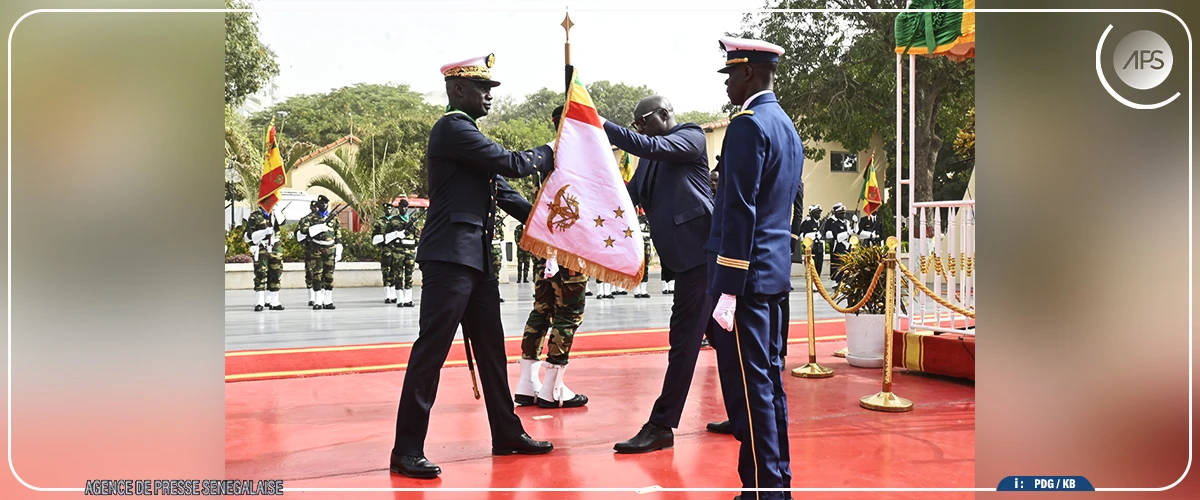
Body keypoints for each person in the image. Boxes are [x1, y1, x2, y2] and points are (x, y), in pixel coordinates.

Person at [390, 53, 556, 479]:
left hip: (475, 260)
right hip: (449, 257)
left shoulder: (469, 138)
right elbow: (513, 164)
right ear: (458, 89)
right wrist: (553, 149)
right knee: (431, 352)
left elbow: (505, 192)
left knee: (490, 349)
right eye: (483, 88)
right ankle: (406, 449)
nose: (489, 96)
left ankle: (506, 433)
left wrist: (550, 228)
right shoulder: (453, 129)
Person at [706, 37, 802, 500]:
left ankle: (765, 490)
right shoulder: (785, 124)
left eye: (731, 75)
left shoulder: (747, 125)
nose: (727, 85)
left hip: (744, 282)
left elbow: (740, 211)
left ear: (748, 74)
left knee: (749, 390)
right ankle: (774, 482)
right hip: (773, 275)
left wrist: (727, 288)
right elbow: (788, 207)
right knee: (768, 384)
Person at [597, 94, 714, 454]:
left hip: (702, 257)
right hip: (684, 262)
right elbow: (625, 196)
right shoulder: (649, 160)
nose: (638, 130)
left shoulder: (690, 136)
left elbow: (650, 146)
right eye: (635, 125)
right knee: (728, 343)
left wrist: (602, 126)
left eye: (642, 122)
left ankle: (661, 425)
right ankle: (744, 415)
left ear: (664, 115)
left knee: (682, 344)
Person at [512, 105, 591, 409]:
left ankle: (526, 383)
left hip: (543, 246)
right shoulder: (581, 161)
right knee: (568, 313)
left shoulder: (548, 157)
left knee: (542, 309)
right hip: (569, 249)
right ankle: (552, 388)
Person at [297, 195, 343, 310]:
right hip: (316, 249)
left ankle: (328, 300)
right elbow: (303, 230)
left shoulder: (334, 218)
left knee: (329, 275)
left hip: (330, 249)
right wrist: (318, 228)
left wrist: (339, 247)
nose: (324, 205)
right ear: (318, 205)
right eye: (321, 203)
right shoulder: (310, 218)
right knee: (316, 275)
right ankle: (317, 300)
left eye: (326, 203)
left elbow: (338, 233)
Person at [243, 207, 284, 311]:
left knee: (276, 273)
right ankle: (259, 302)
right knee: (260, 273)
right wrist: (264, 232)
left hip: (275, 247)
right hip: (262, 246)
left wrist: (276, 213)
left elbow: (282, 222)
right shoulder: (255, 216)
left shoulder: (276, 213)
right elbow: (249, 235)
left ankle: (274, 301)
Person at [391, 199, 419, 307]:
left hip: (410, 252)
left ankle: (408, 299)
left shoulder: (412, 220)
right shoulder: (393, 221)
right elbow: (387, 236)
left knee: (409, 276)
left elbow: (418, 236)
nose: (404, 209)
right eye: (402, 207)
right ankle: (400, 299)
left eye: (406, 207)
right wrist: (397, 235)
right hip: (398, 251)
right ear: (398, 208)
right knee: (398, 275)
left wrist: (414, 244)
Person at [797, 205, 826, 291]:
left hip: (819, 247)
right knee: (811, 265)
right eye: (817, 212)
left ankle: (817, 283)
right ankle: (811, 283)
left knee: (819, 265)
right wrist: (812, 235)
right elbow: (801, 235)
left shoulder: (821, 223)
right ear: (812, 213)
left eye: (819, 212)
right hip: (811, 247)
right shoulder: (807, 223)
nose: (819, 214)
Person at [296, 201, 319, 306]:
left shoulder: (321, 219)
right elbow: (298, 235)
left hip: (320, 249)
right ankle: (311, 298)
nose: (315, 208)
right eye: (313, 207)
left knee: (320, 273)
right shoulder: (305, 220)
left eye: (316, 207)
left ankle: (320, 297)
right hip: (309, 250)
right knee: (309, 273)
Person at [374, 202, 397, 304]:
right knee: (386, 272)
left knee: (395, 272)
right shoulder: (379, 222)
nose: (388, 210)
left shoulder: (396, 221)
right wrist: (382, 245)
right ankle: (387, 295)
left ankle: (393, 294)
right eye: (386, 209)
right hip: (386, 250)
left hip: (396, 250)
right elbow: (375, 237)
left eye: (390, 209)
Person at [824, 203, 853, 284]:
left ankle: (845, 280)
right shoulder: (832, 222)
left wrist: (855, 222)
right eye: (841, 213)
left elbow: (852, 231)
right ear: (836, 212)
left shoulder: (845, 222)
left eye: (844, 213)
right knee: (836, 264)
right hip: (836, 245)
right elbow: (831, 234)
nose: (843, 215)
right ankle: (836, 280)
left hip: (846, 245)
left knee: (845, 264)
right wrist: (847, 233)